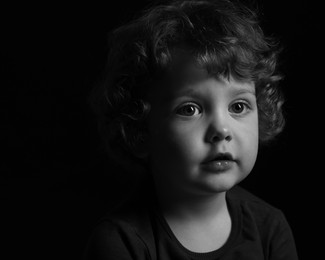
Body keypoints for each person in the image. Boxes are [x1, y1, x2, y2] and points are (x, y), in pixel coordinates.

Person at [84, 0, 299, 259]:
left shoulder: (270, 229)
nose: (221, 129)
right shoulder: (122, 242)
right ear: (139, 130)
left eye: (239, 106)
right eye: (189, 109)